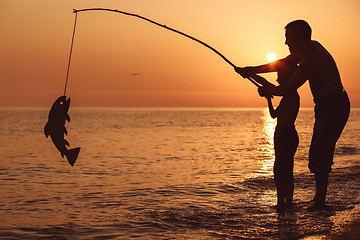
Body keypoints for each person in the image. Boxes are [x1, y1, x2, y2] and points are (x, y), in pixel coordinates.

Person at [235, 20, 350, 210]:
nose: (286, 43)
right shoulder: (311, 48)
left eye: (289, 38)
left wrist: (267, 90)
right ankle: (319, 200)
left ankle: (320, 202)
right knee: (320, 154)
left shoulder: (311, 59)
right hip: (327, 105)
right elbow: (280, 64)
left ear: (301, 38)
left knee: (319, 155)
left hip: (334, 105)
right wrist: (250, 70)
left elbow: (287, 88)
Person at [249, 62, 299, 214]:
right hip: (288, 133)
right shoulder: (291, 93)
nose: (277, 80)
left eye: (279, 76)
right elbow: (266, 83)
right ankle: (287, 204)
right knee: (287, 168)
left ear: (287, 76)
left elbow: (273, 114)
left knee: (281, 169)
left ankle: (282, 204)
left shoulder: (290, 95)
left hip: (284, 133)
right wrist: (249, 74)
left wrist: (268, 99)